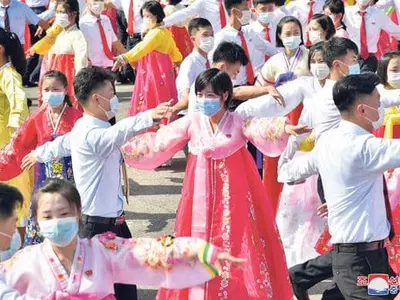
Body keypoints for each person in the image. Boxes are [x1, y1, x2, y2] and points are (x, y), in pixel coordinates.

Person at [123, 68, 311, 300]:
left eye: (210, 96)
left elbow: (258, 128)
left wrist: (283, 128)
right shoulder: (193, 122)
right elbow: (162, 140)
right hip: (198, 201)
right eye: (200, 95)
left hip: (233, 198)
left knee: (233, 245)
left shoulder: (237, 121)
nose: (204, 101)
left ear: (225, 95)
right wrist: (128, 147)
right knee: (196, 244)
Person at [21, 67, 171, 300]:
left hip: (114, 222)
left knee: (125, 286)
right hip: (95, 227)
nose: (114, 99)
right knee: (99, 291)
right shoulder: (92, 133)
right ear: (96, 99)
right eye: (111, 93)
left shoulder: (84, 127)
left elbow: (62, 144)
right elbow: (114, 136)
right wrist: (147, 116)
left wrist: (39, 153)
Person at [1, 178, 245, 299]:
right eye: (48, 216)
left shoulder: (103, 251)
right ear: (36, 220)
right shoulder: (23, 261)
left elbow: (148, 253)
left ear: (77, 212)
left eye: (63, 213)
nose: (56, 221)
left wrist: (202, 251)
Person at [278, 72, 399, 300]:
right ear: (362, 110)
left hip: (369, 257)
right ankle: (299, 277)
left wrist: (337, 199)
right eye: (378, 102)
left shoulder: (327, 142)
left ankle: (300, 277)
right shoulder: (365, 147)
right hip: (358, 260)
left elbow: (289, 173)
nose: (381, 108)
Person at [0, 71, 82, 246]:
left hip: (73, 177)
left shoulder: (77, 116)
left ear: (65, 90)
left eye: (55, 89)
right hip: (43, 176)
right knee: (43, 215)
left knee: (69, 213)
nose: (51, 93)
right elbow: (19, 144)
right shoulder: (37, 117)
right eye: (47, 89)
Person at [275, 42, 328, 269]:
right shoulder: (305, 84)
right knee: (293, 210)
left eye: (322, 61)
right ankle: (288, 259)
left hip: (330, 151)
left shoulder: (342, 87)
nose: (318, 66)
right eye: (314, 61)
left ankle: (319, 256)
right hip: (307, 144)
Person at [112, 1, 182, 120]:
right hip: (164, 72)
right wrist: (178, 61)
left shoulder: (155, 34)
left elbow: (141, 48)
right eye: (143, 16)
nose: (145, 19)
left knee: (151, 98)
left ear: (157, 16)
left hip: (154, 74)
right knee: (165, 96)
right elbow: (174, 51)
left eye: (148, 16)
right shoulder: (164, 32)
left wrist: (123, 57)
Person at [0, 28, 33, 242]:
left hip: (7, 147)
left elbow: (19, 106)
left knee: (14, 200)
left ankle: (18, 248)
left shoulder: (9, 74)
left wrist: (13, 143)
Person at [31, 0, 88, 110]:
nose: (59, 15)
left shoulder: (77, 35)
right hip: (51, 79)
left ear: (73, 14)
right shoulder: (54, 33)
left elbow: (81, 63)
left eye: (62, 12)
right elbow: (44, 55)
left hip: (68, 81)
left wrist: (78, 84)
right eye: (57, 12)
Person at [211, 0, 277, 86]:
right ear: (235, 11)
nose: (249, 12)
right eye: (246, 8)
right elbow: (214, 68)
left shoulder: (248, 31)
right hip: (235, 88)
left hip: (254, 83)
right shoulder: (220, 38)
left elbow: (266, 47)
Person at [343, 0, 400, 72]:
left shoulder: (378, 14)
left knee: (366, 81)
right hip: (350, 59)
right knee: (351, 81)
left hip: (369, 59)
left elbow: (396, 32)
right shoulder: (346, 12)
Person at [173, 18, 214, 116]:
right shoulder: (189, 64)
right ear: (193, 39)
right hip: (190, 116)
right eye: (205, 35)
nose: (210, 38)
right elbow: (185, 97)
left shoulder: (210, 61)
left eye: (212, 34)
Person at [79, 0, 127, 69]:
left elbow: (115, 42)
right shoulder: (82, 24)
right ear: (86, 1)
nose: (98, 3)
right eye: (95, 0)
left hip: (109, 65)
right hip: (92, 67)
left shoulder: (105, 19)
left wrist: (130, 59)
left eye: (101, 0)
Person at [249, 0, 285, 70]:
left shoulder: (280, 29)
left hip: (279, 71)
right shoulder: (250, 32)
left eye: (270, 8)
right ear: (254, 11)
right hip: (257, 74)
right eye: (263, 9)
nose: (267, 12)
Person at [161, 0, 228, 33]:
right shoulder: (203, 2)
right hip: (212, 38)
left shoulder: (230, 2)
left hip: (230, 37)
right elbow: (185, 13)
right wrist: (164, 22)